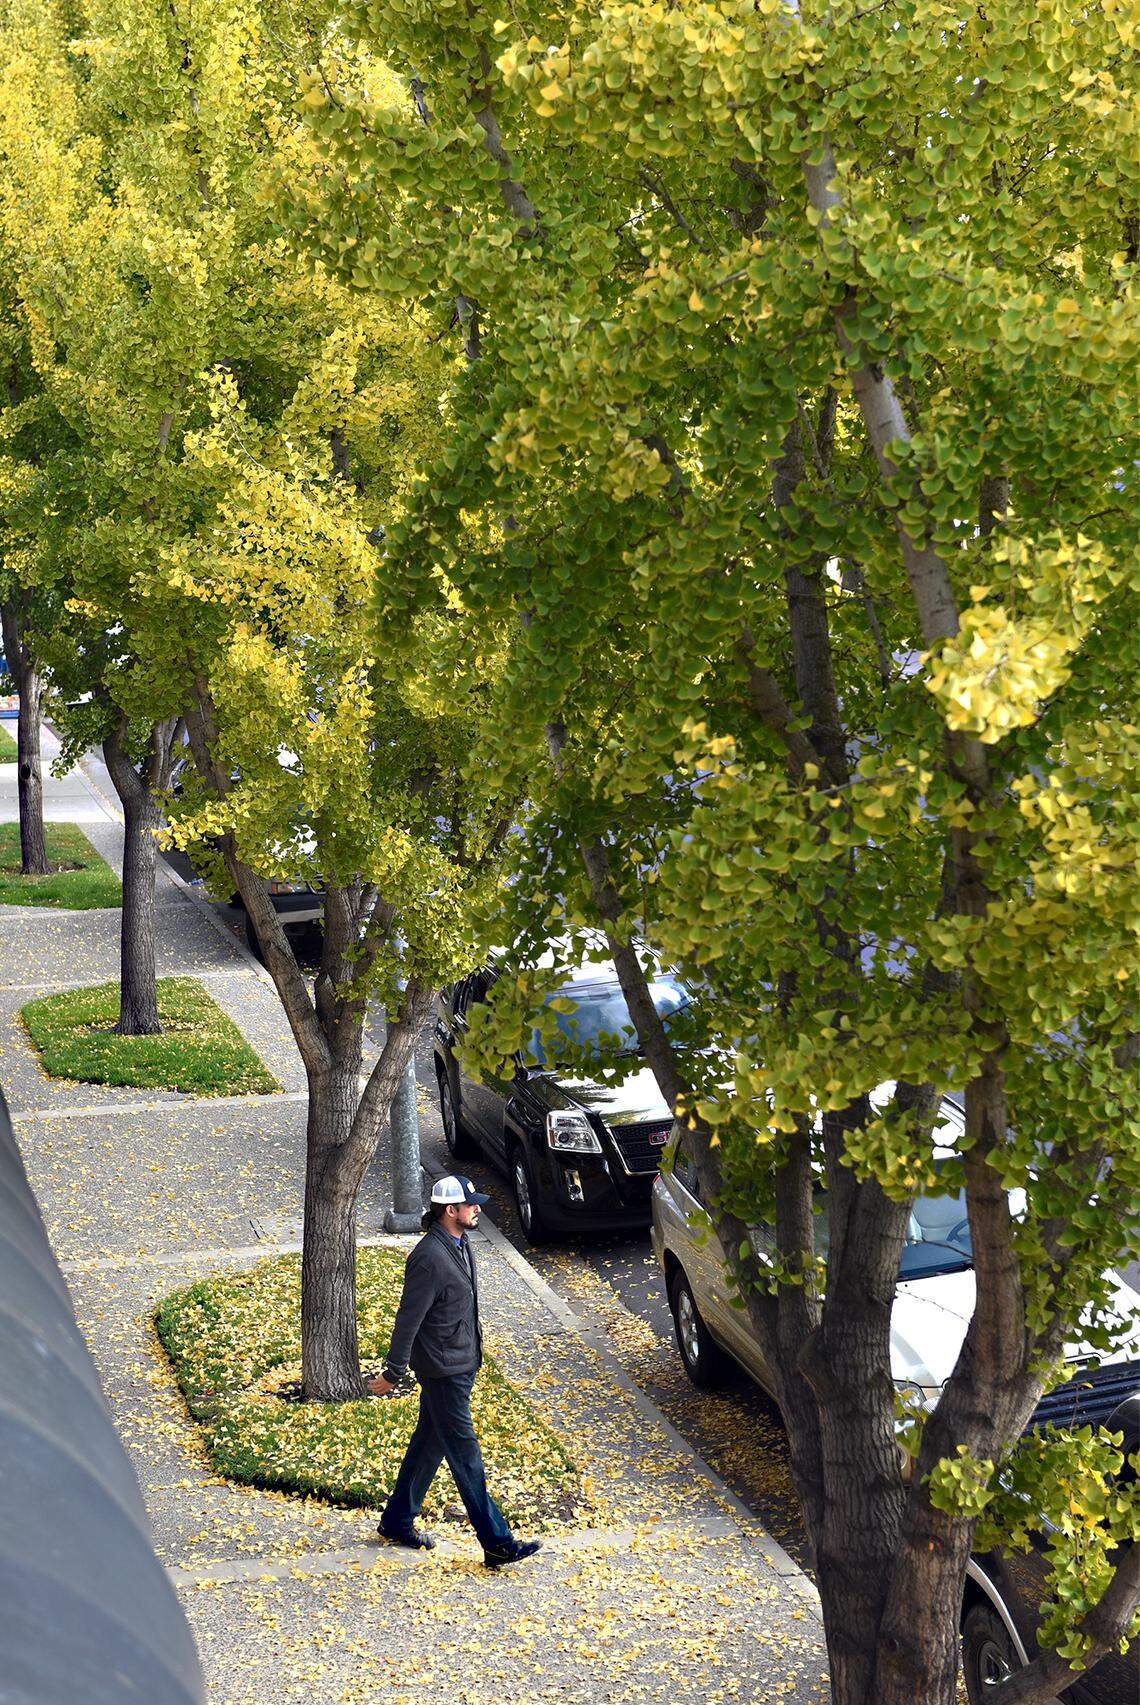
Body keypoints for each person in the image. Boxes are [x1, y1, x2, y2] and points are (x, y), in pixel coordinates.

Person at [367, 1173, 542, 1568]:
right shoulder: (429, 1258)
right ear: (451, 1211)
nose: (477, 1208)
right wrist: (393, 1372)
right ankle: (497, 1542)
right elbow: (407, 1321)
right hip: (443, 1371)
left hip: (460, 1363)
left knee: (428, 1445)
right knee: (465, 1456)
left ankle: (397, 1520)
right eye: (470, 1204)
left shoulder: (460, 1244)